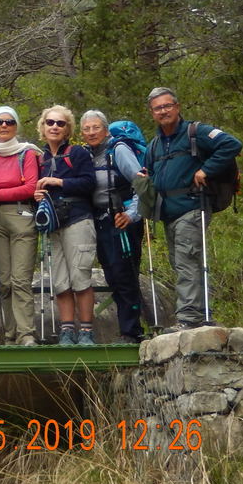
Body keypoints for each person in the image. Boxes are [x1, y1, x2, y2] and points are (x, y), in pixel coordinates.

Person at [144, 87, 242, 330]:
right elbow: (150, 174)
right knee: (182, 263)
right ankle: (200, 315)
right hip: (168, 214)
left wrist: (206, 170)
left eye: (167, 106)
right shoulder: (154, 145)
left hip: (192, 207)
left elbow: (232, 144)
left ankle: (188, 318)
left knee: (186, 261)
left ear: (177, 107)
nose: (163, 111)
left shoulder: (196, 132)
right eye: (158, 108)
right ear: (152, 113)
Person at [0, 106, 42, 346]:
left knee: (20, 279)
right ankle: (10, 335)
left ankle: (26, 334)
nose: (4, 126)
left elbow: (31, 187)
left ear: (16, 126)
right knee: (3, 281)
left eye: (9, 121)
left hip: (22, 215)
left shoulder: (28, 154)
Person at [79, 110, 146, 344]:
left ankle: (132, 332)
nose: (91, 132)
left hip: (121, 220)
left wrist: (132, 215)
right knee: (112, 275)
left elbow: (141, 182)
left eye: (96, 127)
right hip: (101, 221)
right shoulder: (87, 155)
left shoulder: (118, 150)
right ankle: (127, 330)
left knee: (124, 275)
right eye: (86, 129)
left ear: (106, 129)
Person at [33, 106, 98, 346]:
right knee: (60, 280)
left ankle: (86, 331)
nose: (54, 127)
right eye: (50, 122)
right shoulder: (39, 158)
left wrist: (58, 182)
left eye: (60, 123)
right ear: (42, 127)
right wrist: (37, 196)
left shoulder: (78, 153)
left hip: (78, 219)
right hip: (53, 225)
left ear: (68, 129)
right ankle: (67, 331)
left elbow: (89, 183)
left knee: (80, 276)